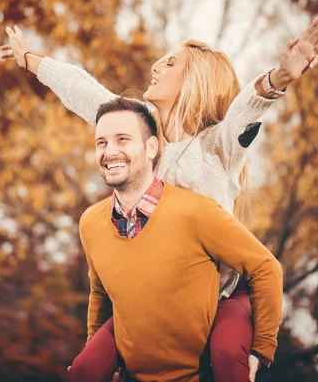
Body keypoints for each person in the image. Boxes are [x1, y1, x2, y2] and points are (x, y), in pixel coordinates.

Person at [1, 17, 318, 381]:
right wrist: (30, 60)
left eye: (170, 63)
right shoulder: (144, 140)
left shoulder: (216, 147)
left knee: (227, 358)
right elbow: (85, 92)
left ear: (196, 80)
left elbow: (246, 111)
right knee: (84, 368)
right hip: (155, 298)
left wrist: (279, 79)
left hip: (219, 299)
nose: (156, 66)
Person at [78, 96, 283, 381]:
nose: (109, 151)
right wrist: (99, 354)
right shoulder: (90, 222)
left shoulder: (196, 212)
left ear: (151, 148)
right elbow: (100, 291)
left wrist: (261, 349)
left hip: (195, 368)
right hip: (136, 367)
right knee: (82, 371)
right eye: (101, 142)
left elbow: (265, 267)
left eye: (122, 139)